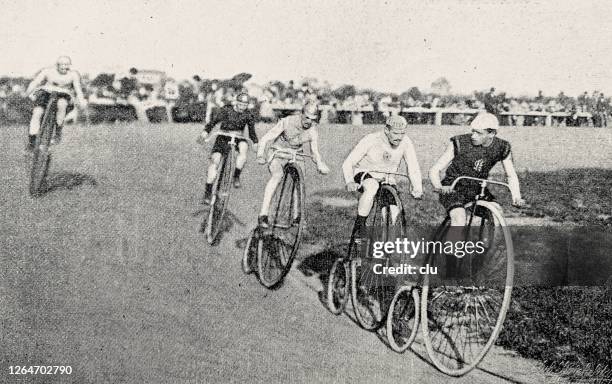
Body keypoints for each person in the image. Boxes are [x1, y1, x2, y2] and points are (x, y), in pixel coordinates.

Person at [429, 112, 525, 227]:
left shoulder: (502, 147)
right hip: (453, 188)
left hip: (477, 189)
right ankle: (454, 244)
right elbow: (434, 170)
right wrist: (440, 187)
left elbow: (511, 175)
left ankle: (489, 244)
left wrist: (516, 197)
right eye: (473, 131)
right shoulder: (460, 142)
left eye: (478, 133)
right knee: (459, 218)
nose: (473, 136)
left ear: (492, 133)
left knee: (497, 214)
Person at [342, 115, 423, 239]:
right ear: (386, 130)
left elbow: (413, 165)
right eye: (395, 133)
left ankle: (389, 244)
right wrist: (349, 181)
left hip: (387, 179)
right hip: (366, 173)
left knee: (394, 211)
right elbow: (348, 163)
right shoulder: (371, 139)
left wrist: (417, 187)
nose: (399, 138)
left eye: (402, 133)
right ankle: (360, 226)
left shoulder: (405, 142)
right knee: (372, 187)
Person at [255, 102, 329, 228]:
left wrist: (320, 164)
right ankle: (263, 214)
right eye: (306, 117)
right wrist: (260, 154)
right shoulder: (287, 121)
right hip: (279, 152)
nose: (308, 122)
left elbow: (315, 152)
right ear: (301, 114)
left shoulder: (312, 131)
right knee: (277, 175)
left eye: (312, 119)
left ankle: (296, 217)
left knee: (300, 183)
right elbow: (266, 137)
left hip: (296, 155)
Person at [197, 92, 258, 203]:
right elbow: (213, 122)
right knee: (215, 162)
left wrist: (255, 143)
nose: (242, 108)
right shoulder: (226, 110)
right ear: (236, 103)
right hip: (223, 137)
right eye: (240, 105)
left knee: (244, 147)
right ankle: (208, 192)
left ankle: (236, 175)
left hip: (238, 136)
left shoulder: (248, 114)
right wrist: (205, 133)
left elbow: (252, 132)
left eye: (245, 105)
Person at [24, 56, 87, 149]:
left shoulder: (73, 75)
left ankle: (57, 132)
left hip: (63, 96)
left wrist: (81, 100)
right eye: (61, 64)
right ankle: (32, 140)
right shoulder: (48, 71)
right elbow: (36, 82)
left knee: (62, 104)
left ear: (69, 65)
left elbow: (78, 89)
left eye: (66, 64)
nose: (64, 67)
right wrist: (27, 93)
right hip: (47, 93)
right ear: (57, 65)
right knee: (37, 112)